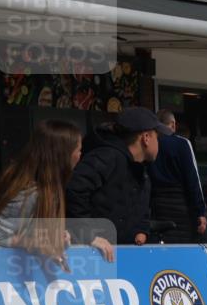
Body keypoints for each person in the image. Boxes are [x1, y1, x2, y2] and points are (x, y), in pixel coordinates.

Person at [65, 107, 167, 261]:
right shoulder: (107, 157)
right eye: (157, 137)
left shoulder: (141, 170)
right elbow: (74, 190)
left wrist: (141, 229)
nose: (159, 143)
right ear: (146, 138)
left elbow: (140, 208)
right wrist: (89, 235)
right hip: (91, 259)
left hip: (120, 259)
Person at [0, 120, 83, 267]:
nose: (80, 155)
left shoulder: (47, 187)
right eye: (78, 150)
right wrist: (30, 242)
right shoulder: (29, 192)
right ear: (63, 155)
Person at [148, 109, 207, 243]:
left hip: (157, 208)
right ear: (172, 124)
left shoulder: (148, 144)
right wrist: (200, 211)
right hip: (182, 209)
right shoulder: (182, 144)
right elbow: (192, 180)